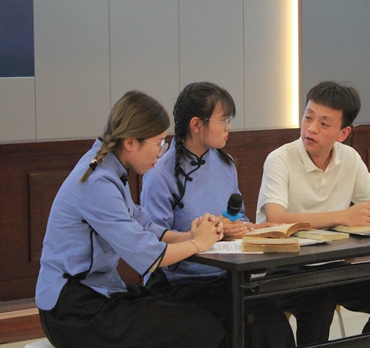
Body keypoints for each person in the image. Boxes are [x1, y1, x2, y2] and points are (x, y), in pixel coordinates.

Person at [35, 90, 226, 348]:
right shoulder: (97, 181)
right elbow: (148, 255)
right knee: (199, 328)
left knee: (198, 312)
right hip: (73, 309)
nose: (161, 151)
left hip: (98, 293)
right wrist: (198, 244)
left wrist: (190, 235)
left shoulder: (111, 168)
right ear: (130, 142)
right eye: (158, 143)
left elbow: (144, 225)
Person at [256, 81, 370, 347]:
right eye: (308, 117)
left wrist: (367, 216)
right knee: (318, 302)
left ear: (343, 133)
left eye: (324, 124)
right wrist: (343, 216)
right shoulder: (280, 159)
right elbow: (276, 218)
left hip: (330, 263)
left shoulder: (349, 158)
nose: (311, 128)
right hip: (282, 265)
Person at [140, 81, 295, 347]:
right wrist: (208, 232)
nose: (228, 127)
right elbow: (154, 241)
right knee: (230, 325)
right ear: (196, 124)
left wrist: (246, 227)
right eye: (223, 120)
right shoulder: (160, 174)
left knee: (271, 321)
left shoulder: (226, 163)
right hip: (182, 282)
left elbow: (235, 216)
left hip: (226, 276)